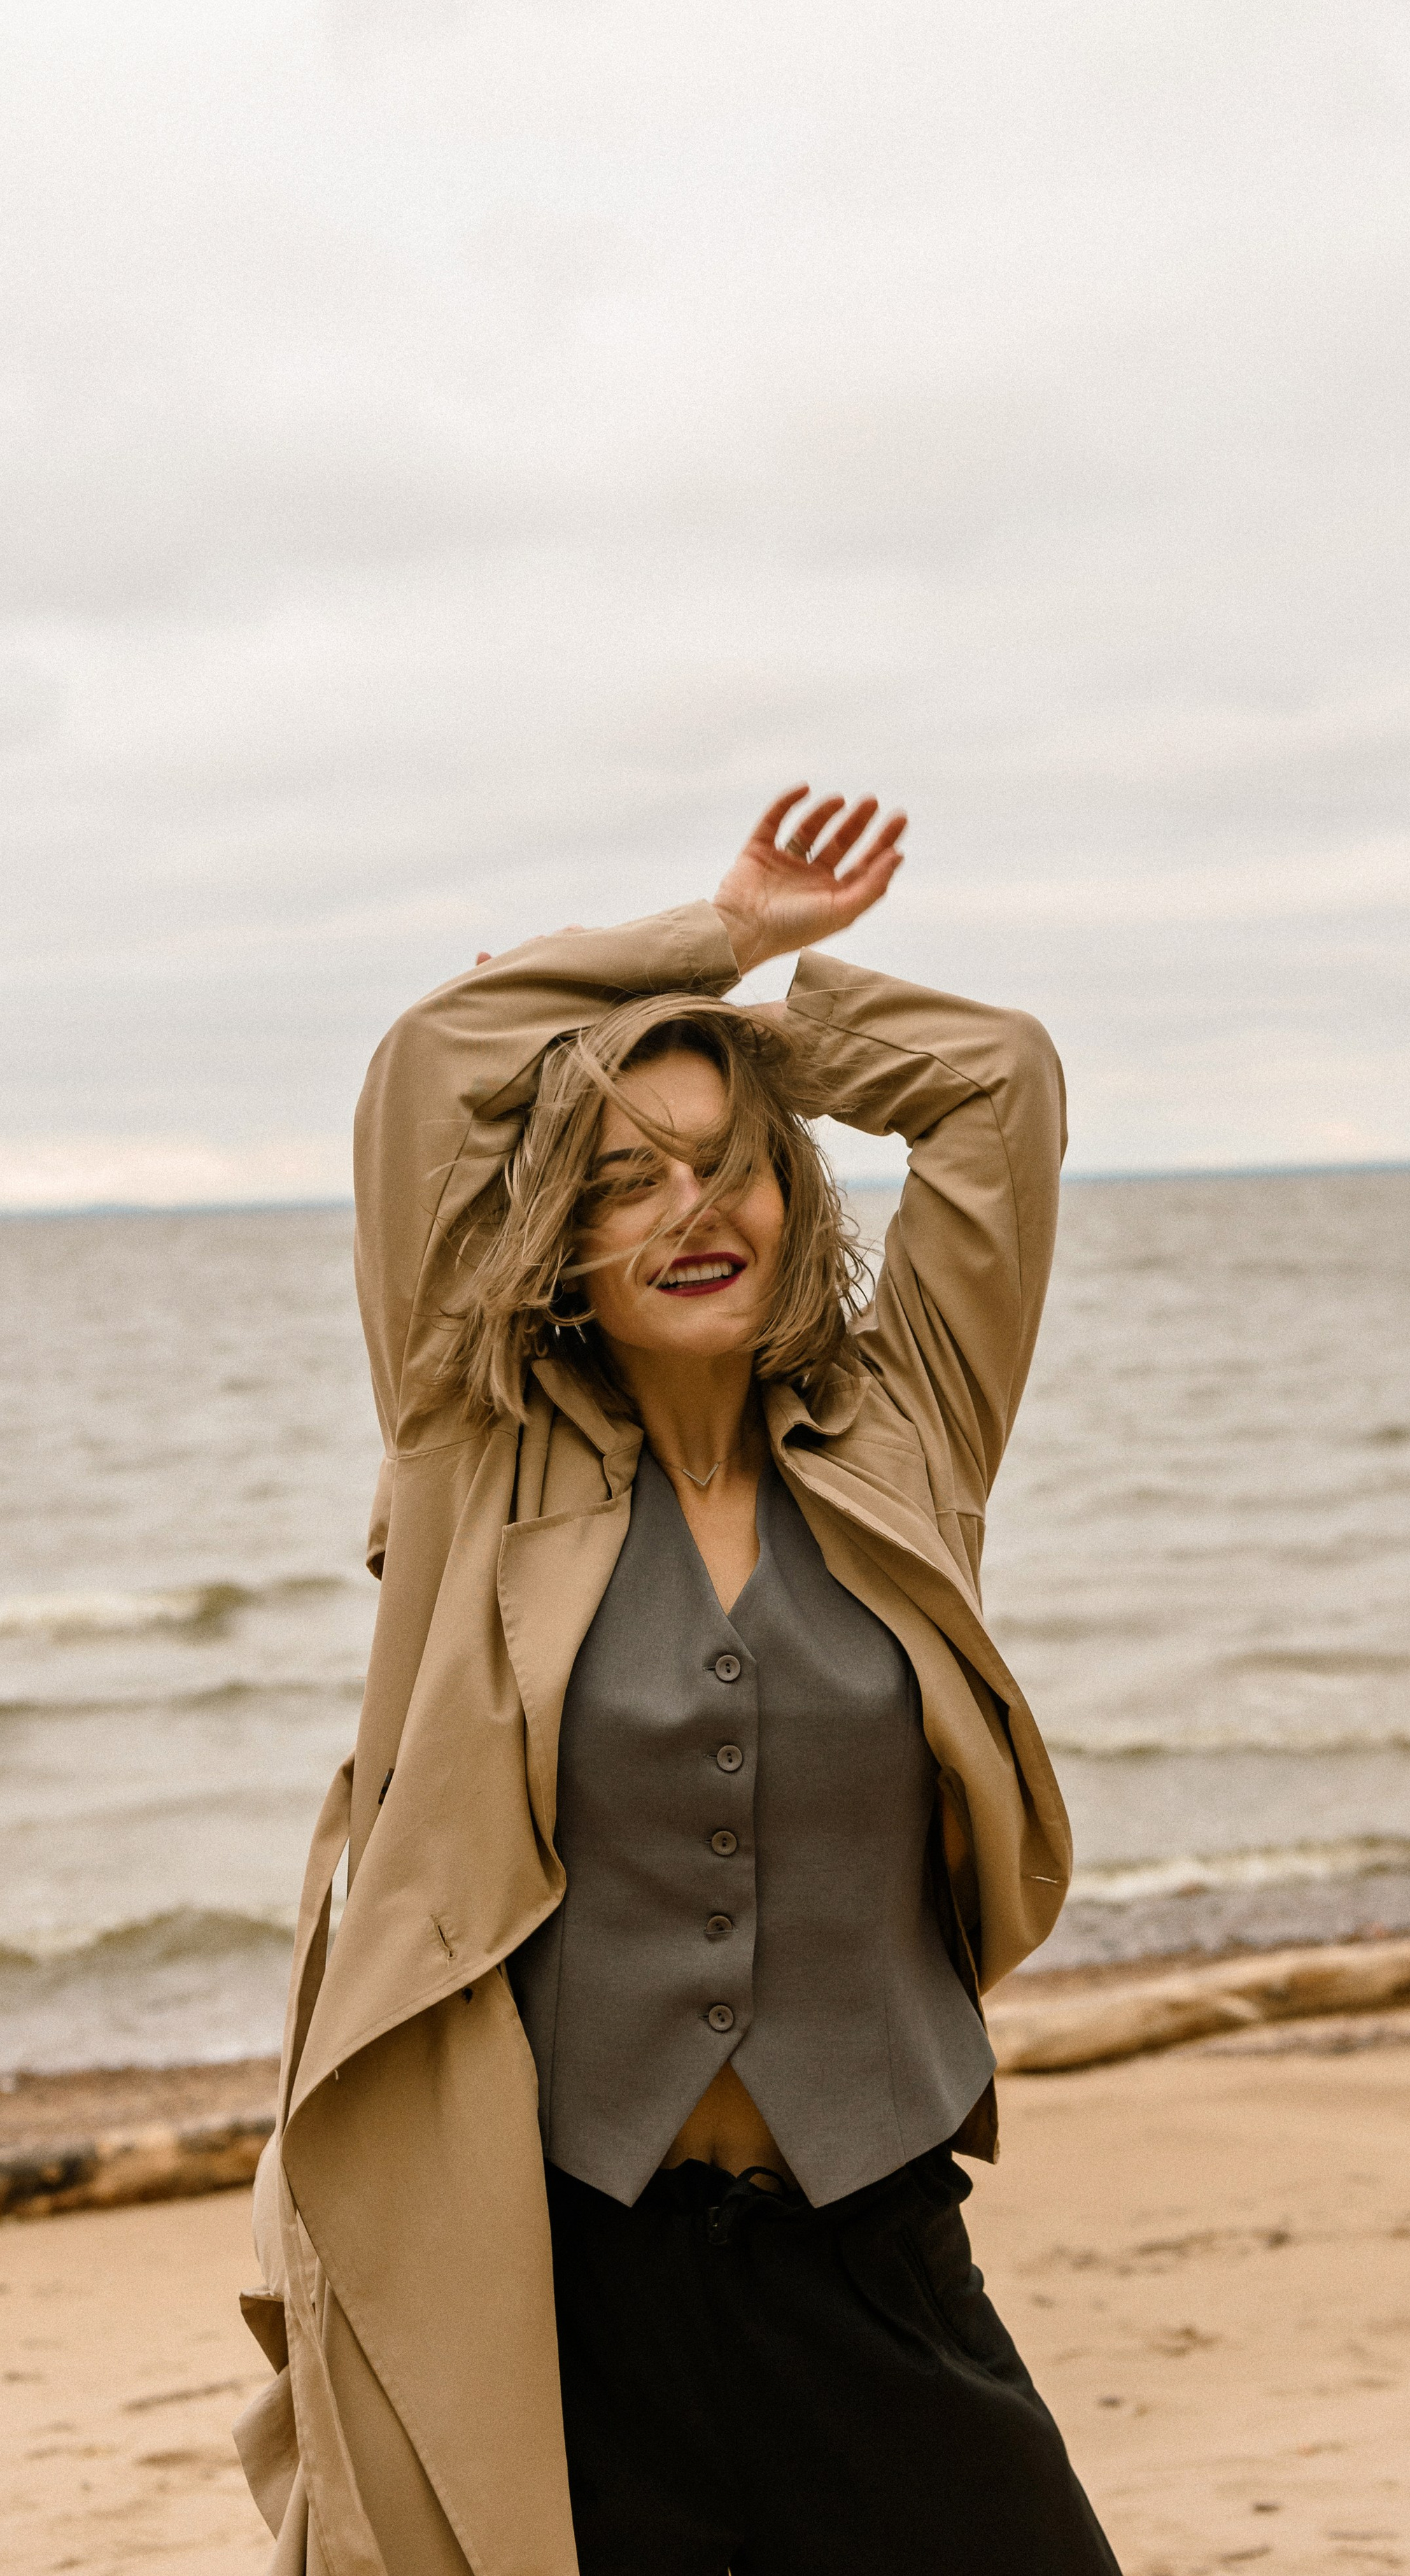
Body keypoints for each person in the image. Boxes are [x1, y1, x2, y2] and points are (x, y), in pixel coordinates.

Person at [233, 790, 1120, 2575]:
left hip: (867, 2247)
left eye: (727, 1163)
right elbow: (431, 1060)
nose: (689, 1209)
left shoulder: (905, 1428)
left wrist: (747, 1032)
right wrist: (701, 949)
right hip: (561, 2280)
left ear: (792, 1186)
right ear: (557, 1238)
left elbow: (998, 1082)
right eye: (623, 1180)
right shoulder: (473, 1446)